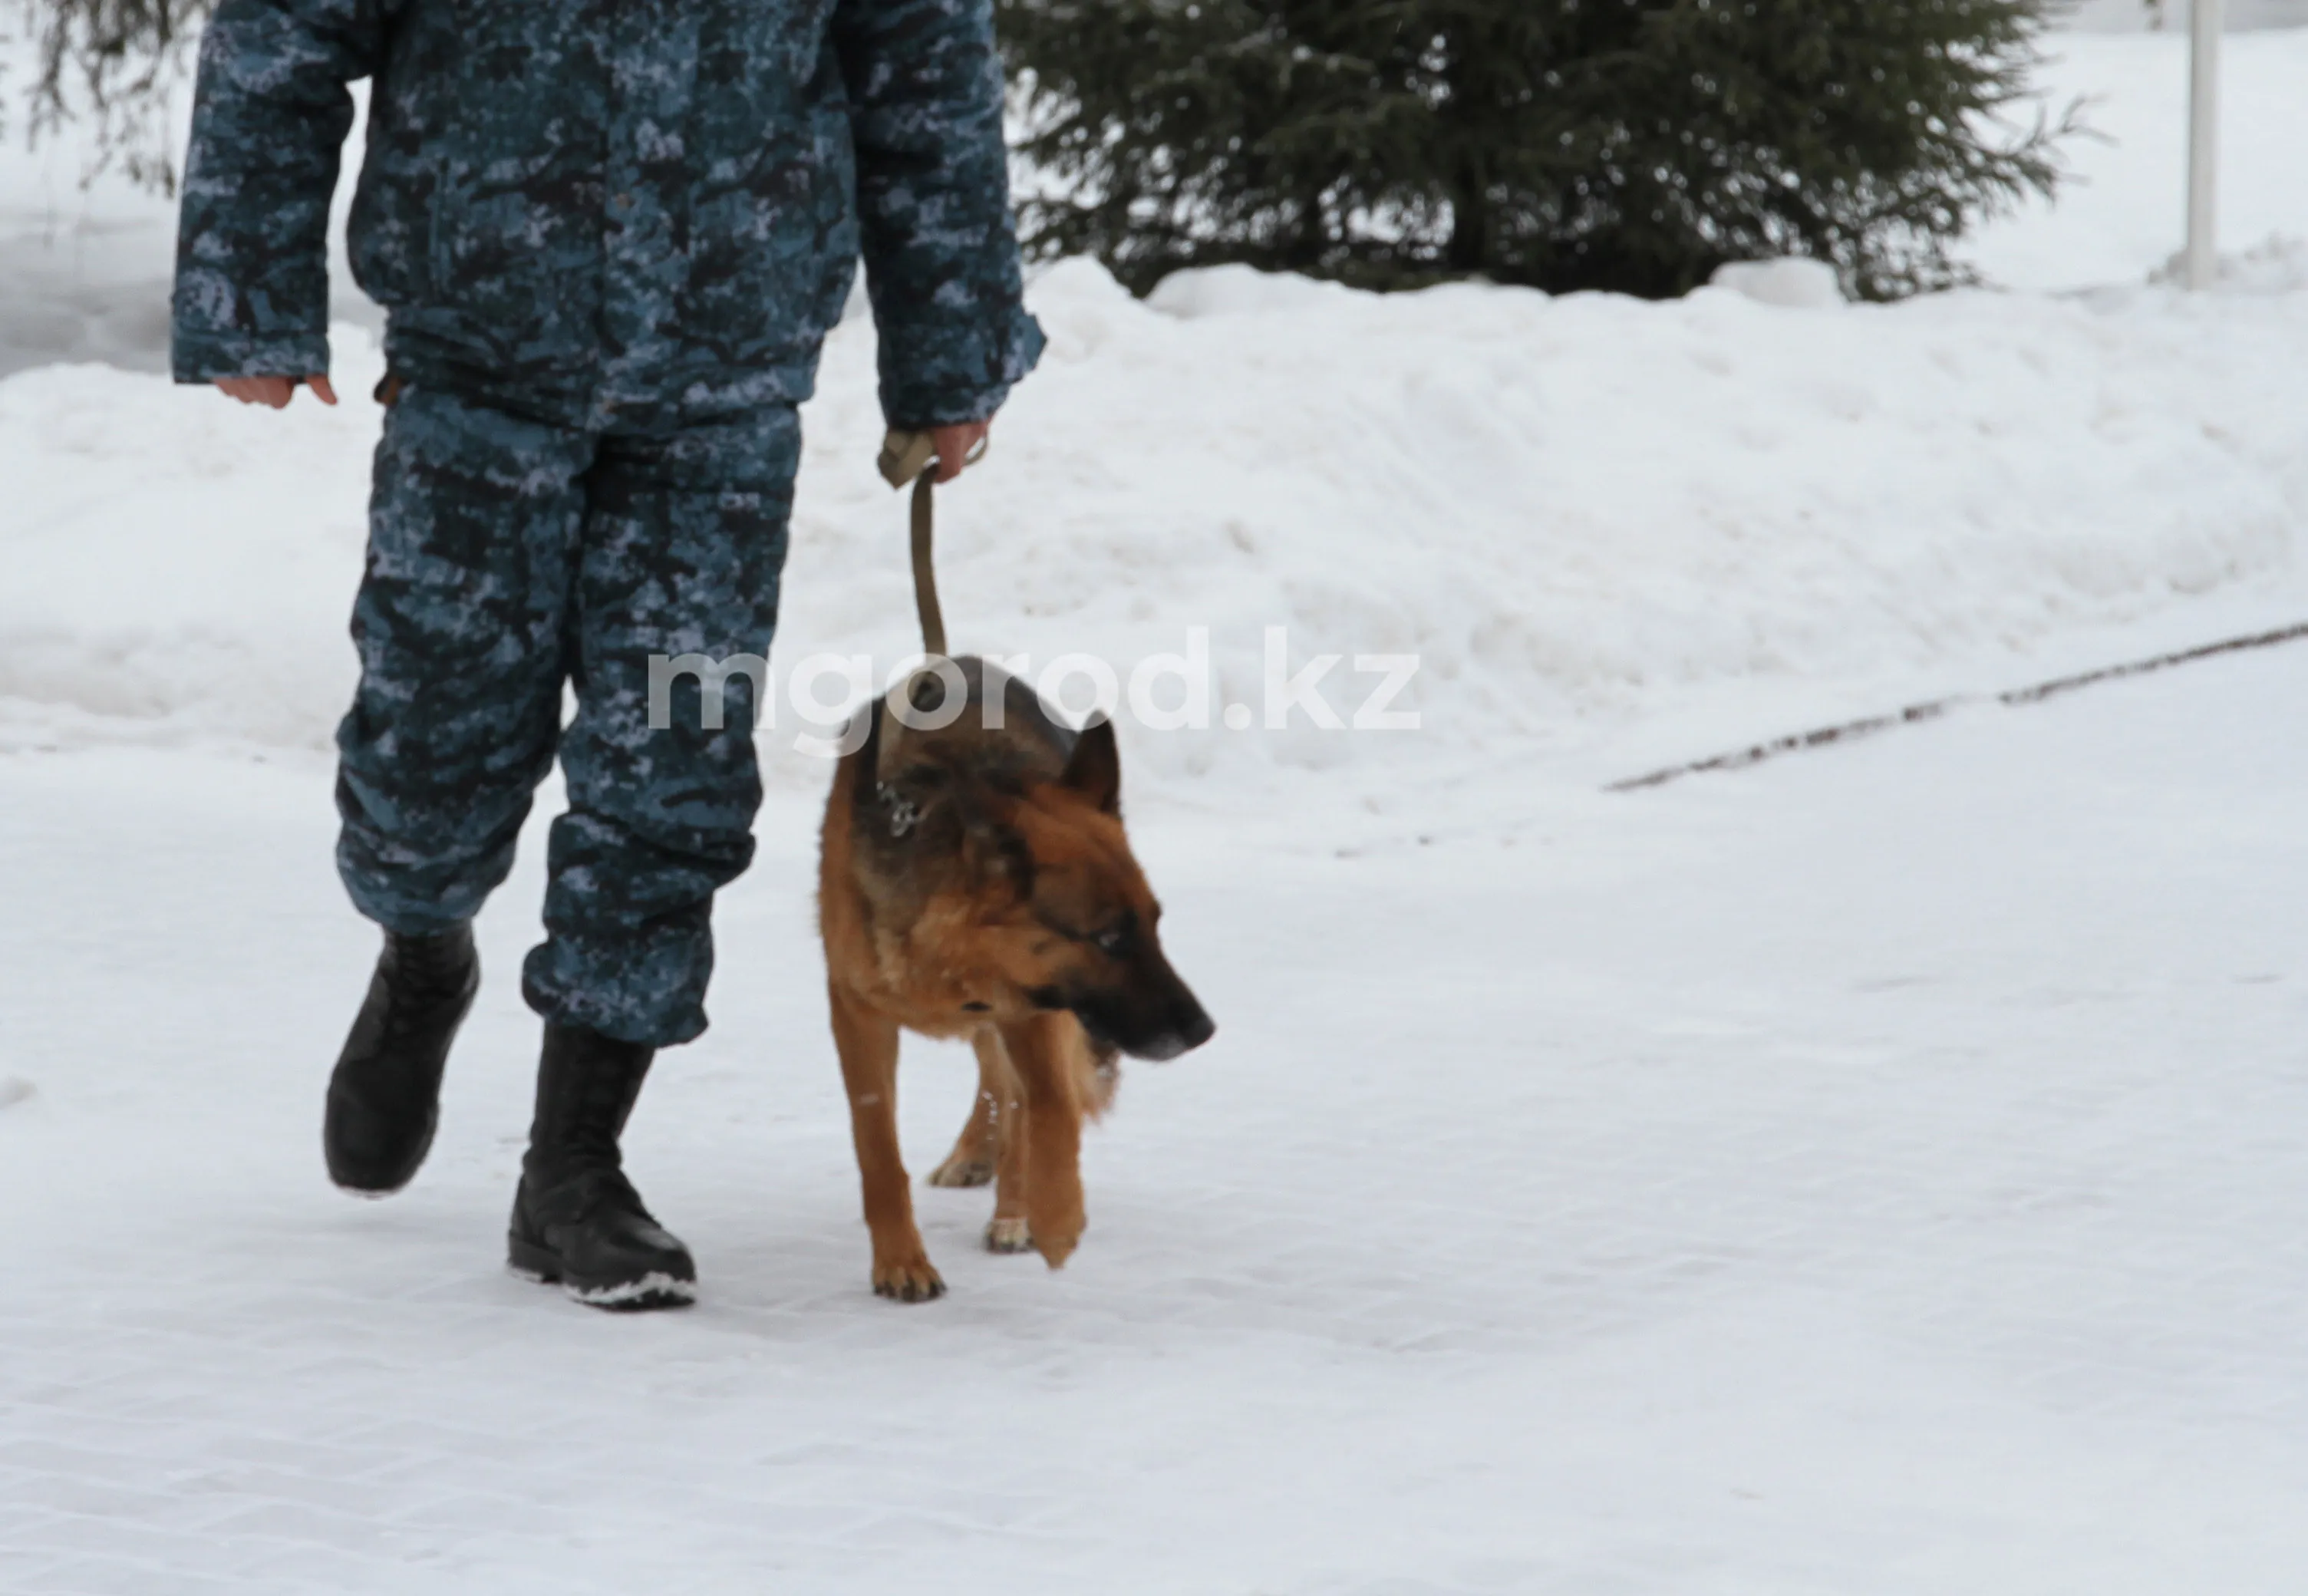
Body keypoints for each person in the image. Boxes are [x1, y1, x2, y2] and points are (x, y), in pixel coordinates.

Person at [172, 0, 1043, 1310]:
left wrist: (950, 355)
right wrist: (248, 291)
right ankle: (424, 946)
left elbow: (925, 75)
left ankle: (574, 1167)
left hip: (729, 378)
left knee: (671, 778)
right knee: (428, 757)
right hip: (478, 356)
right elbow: (282, 31)